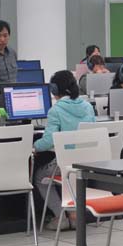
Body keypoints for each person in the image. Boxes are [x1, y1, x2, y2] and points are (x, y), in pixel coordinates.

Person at [33, 70, 96, 230]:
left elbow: (49, 141)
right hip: (87, 163)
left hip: (65, 164)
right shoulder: (88, 106)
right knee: (71, 175)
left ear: (54, 89)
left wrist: (34, 146)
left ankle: (60, 216)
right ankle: (75, 214)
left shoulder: (55, 110)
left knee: (40, 177)